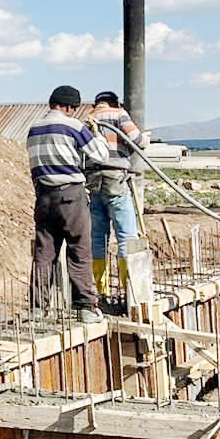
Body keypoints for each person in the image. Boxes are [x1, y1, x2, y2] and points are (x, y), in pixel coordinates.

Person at [27, 86, 112, 322]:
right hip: (70, 195)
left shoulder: (34, 128)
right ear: (67, 107)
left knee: (44, 253)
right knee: (79, 249)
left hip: (44, 196)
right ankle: (85, 307)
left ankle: (37, 309)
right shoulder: (73, 126)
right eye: (74, 109)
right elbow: (100, 155)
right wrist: (96, 134)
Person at [85, 91, 146, 293]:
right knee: (126, 235)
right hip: (116, 179)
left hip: (93, 181)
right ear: (114, 102)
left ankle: (102, 290)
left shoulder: (88, 118)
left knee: (97, 237)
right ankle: (130, 290)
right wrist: (144, 139)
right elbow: (137, 142)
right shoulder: (119, 114)